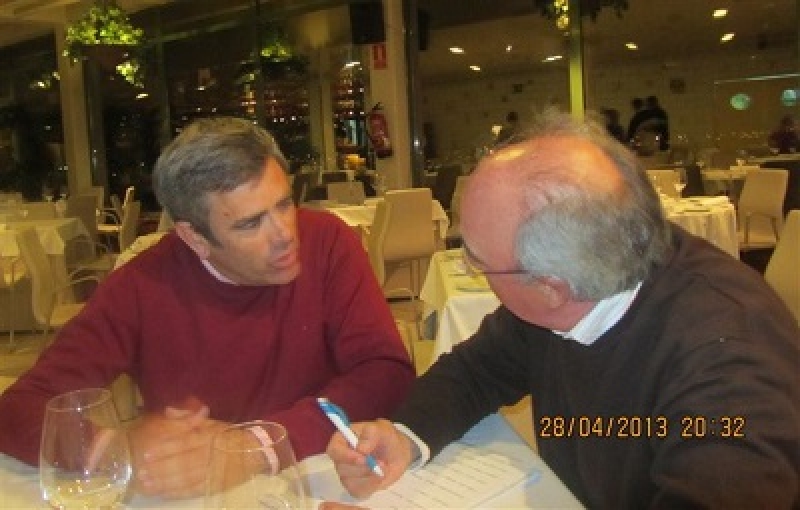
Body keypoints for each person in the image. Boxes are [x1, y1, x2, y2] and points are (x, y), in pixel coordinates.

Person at [323, 110, 800, 509]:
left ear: (551, 287)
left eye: (477, 261)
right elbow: (476, 370)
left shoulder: (730, 370)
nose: (471, 268)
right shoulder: (583, 277)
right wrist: (405, 435)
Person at [0, 117, 415, 499]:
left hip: (318, 484)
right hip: (196, 499)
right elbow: (18, 409)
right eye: (250, 223)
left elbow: (386, 372)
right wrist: (115, 446)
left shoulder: (327, 242)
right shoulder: (141, 286)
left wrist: (256, 446)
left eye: (284, 204)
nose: (285, 234)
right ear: (194, 238)